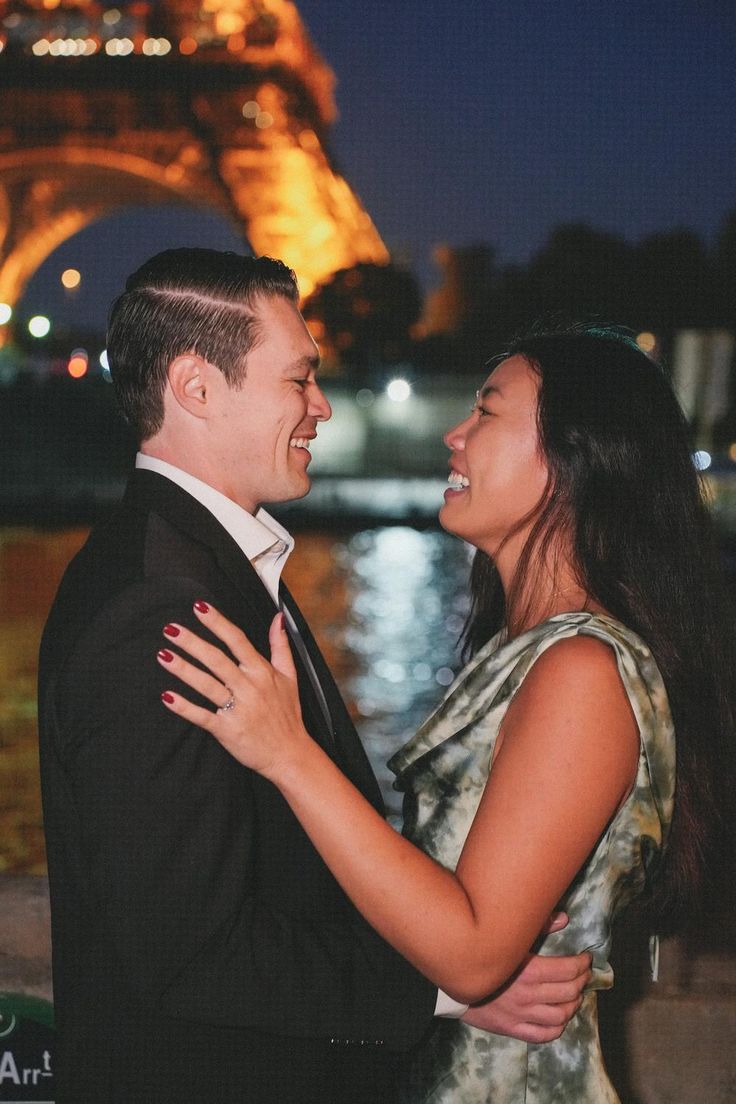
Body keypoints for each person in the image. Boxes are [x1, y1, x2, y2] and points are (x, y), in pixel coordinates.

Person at [38, 250, 590, 1104]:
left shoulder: (202, 566)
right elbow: (189, 952)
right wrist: (445, 988)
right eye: (299, 379)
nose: (322, 406)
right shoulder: (162, 606)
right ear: (195, 387)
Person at [159, 325, 734, 1102]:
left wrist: (288, 752)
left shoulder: (582, 671)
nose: (452, 436)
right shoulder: (529, 654)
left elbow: (470, 956)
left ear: (575, 458)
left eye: (487, 413)